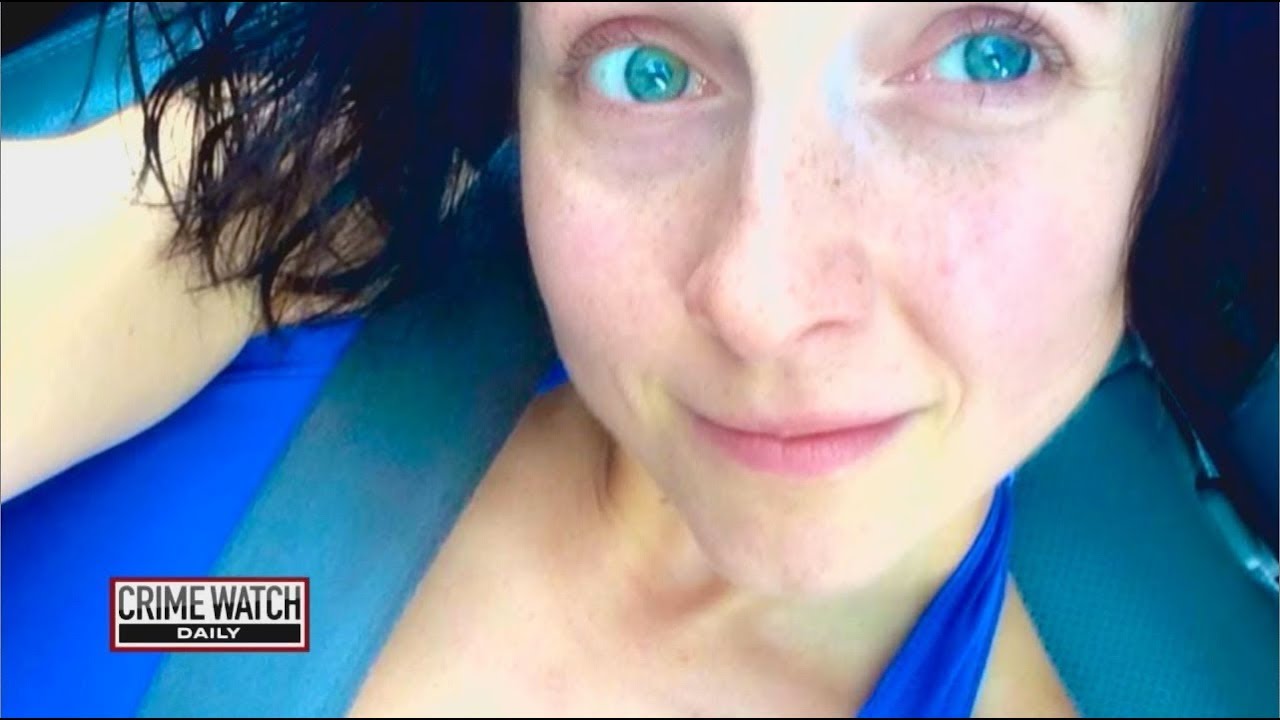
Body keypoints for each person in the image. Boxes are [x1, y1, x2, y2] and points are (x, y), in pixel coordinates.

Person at [3, 2, 1271, 716]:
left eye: (988, 58)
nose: (760, 301)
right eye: (644, 68)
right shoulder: (295, 200)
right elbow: (172, 614)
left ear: (1182, 112)